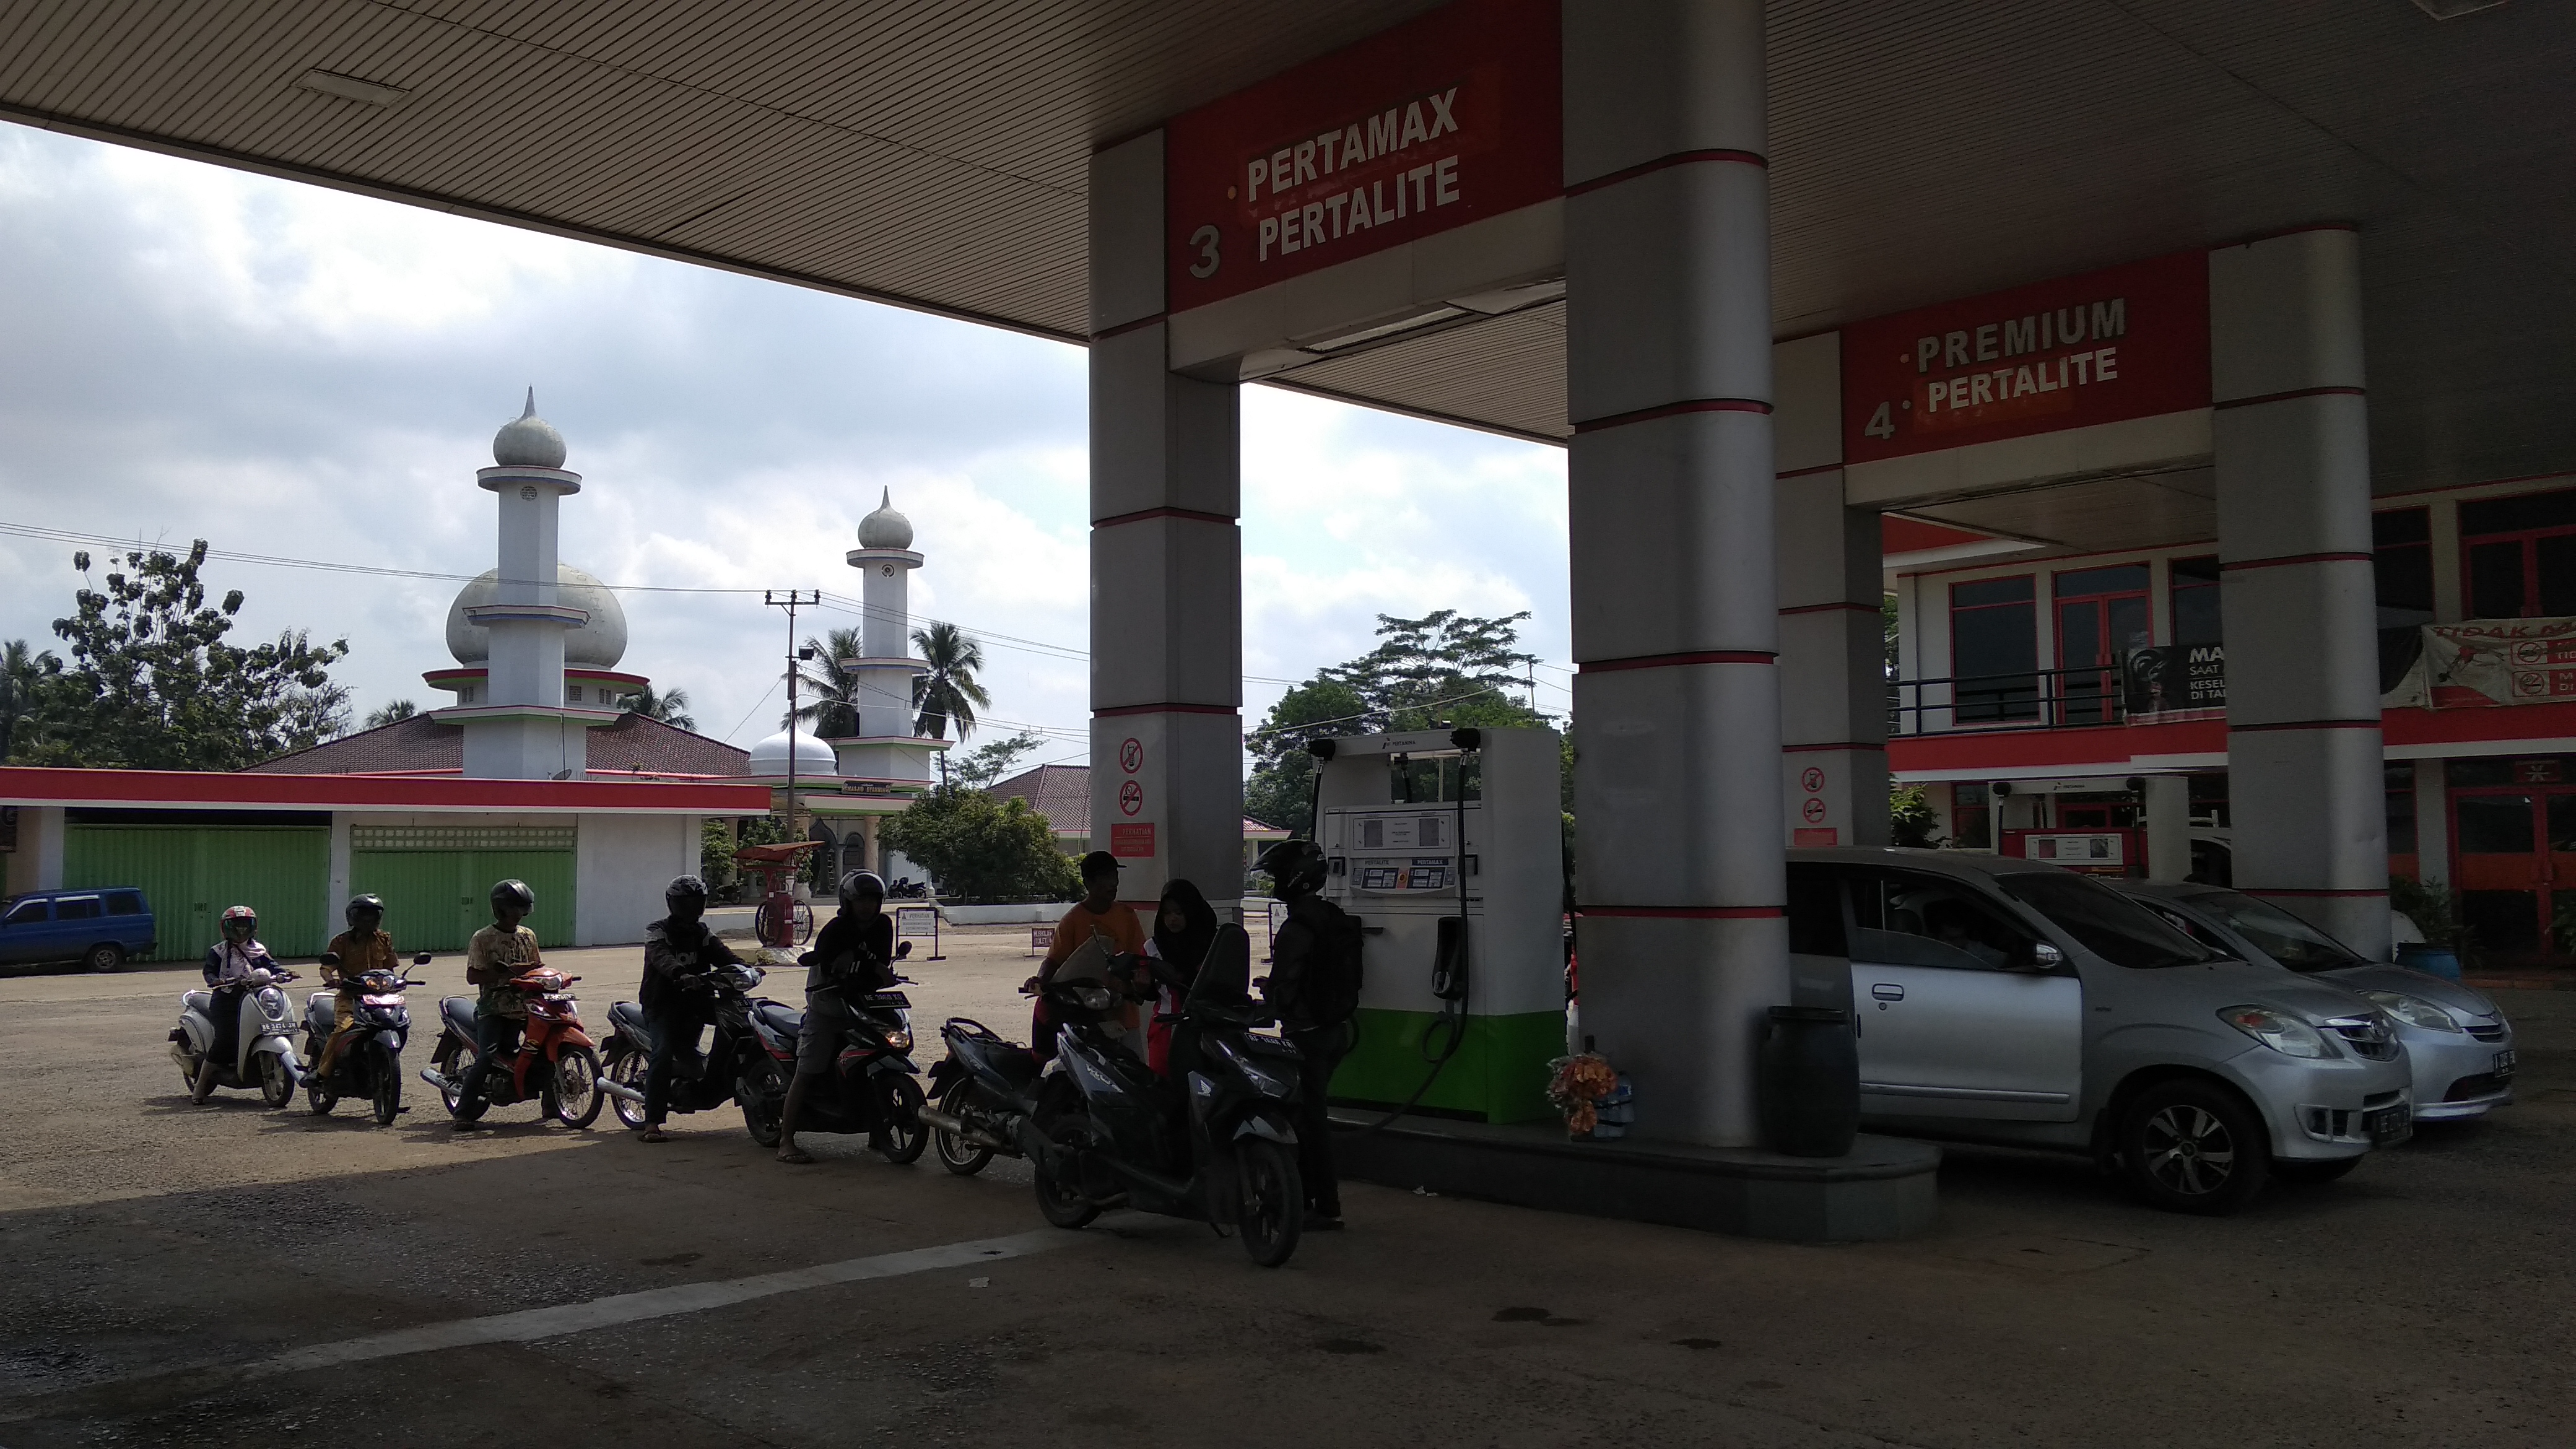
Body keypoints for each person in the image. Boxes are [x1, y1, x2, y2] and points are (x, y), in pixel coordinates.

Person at [1258, 839, 1361, 1231]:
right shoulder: (1330, 915)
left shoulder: (1296, 927)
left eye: (1277, 877)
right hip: (1335, 1031)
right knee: (1310, 1117)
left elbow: (1286, 985)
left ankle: (1323, 1206)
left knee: (1308, 1123)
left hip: (1306, 1037)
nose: (1274, 885)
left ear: (1294, 878)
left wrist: (1268, 996)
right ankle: (1312, 1202)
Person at [777, 870, 897, 1165]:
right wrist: (865, 967)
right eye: (861, 900)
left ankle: (877, 1130)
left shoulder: (883, 926)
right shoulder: (835, 930)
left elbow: (882, 964)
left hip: (863, 1002)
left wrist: (874, 970)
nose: (868, 906)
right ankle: (786, 1141)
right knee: (809, 1067)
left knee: (882, 1053)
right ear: (848, 901)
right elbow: (829, 962)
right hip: (827, 1003)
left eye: (873, 900)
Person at [637, 874, 745, 1143]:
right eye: (686, 902)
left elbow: (723, 955)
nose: (692, 908)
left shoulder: (702, 932)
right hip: (662, 1003)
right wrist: (680, 974)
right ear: (672, 903)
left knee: (738, 1025)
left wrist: (745, 969)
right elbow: (661, 957)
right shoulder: (658, 930)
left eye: (697, 902)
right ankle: (652, 1122)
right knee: (662, 1054)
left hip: (697, 1000)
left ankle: (714, 1080)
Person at [1026, 851, 1147, 1062]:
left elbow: (1140, 959)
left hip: (1124, 1015)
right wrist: (1040, 980)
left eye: (1115, 876)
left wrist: (1140, 981)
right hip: (1085, 1016)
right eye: (1106, 877)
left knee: (1135, 1071)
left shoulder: (1127, 916)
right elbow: (1054, 960)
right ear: (1088, 883)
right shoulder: (1072, 920)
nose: (1113, 883)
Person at [455, 880, 544, 1127]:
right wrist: (503, 974)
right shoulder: (483, 938)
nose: (519, 913)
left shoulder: (528, 936)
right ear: (500, 908)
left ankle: (551, 1105)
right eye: (514, 908)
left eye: (522, 908)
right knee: (486, 1058)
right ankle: (462, 1113)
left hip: (526, 1008)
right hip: (493, 1009)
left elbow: (537, 967)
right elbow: (473, 976)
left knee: (546, 1049)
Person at [195, 905, 276, 1103]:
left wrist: (285, 973)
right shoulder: (219, 951)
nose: (241, 931)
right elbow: (209, 972)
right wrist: (216, 981)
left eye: (245, 926)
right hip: (226, 1000)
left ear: (253, 927)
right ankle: (200, 1087)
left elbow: (271, 966)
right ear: (226, 928)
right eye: (236, 926)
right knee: (224, 1040)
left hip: (255, 998)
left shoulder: (259, 950)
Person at [315, 894, 398, 1079]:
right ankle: (322, 1073)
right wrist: (331, 980)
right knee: (343, 1029)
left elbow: (390, 968)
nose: (368, 919)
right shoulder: (341, 941)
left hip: (380, 997)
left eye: (372, 914)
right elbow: (326, 968)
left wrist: (396, 982)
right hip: (351, 998)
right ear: (353, 916)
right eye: (363, 914)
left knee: (398, 1023)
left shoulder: (384, 939)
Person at [1142, 879, 1217, 1077]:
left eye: (1179, 912)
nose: (1172, 919)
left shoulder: (1213, 945)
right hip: (1165, 1028)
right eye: (1166, 913)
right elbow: (1148, 992)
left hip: (1206, 1029)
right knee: (1163, 1083)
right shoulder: (1153, 946)